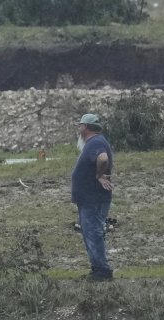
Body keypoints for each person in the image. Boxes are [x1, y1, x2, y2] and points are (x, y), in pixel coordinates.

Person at [71, 113, 114, 282]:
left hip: (93, 199)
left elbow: (102, 159)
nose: (79, 129)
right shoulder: (96, 142)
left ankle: (102, 271)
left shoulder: (95, 142)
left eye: (80, 126)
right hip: (90, 199)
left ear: (86, 127)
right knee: (91, 232)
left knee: (93, 233)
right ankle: (97, 269)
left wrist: (99, 175)